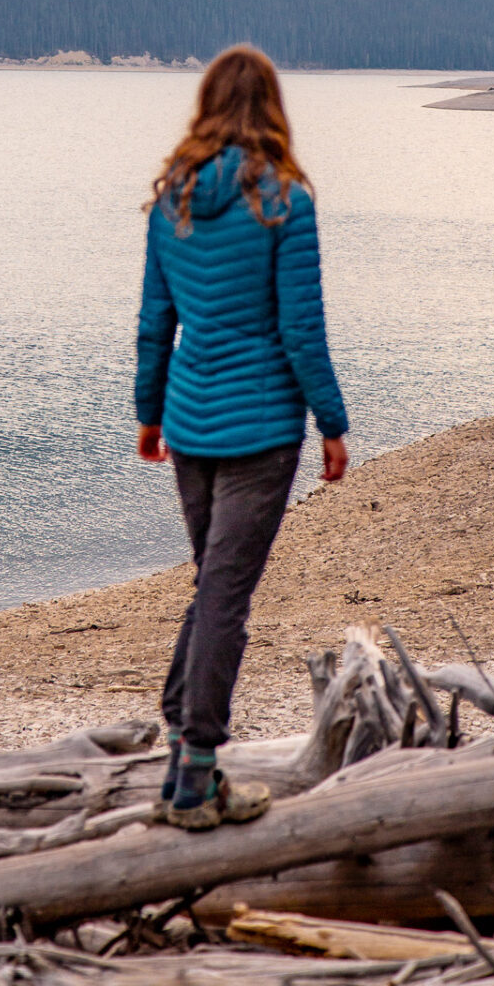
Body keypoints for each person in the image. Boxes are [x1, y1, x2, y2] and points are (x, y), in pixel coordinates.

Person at [134, 44, 349, 830]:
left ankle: (182, 749)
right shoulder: (285, 201)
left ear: (207, 106)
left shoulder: (174, 202)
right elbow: (302, 329)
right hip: (261, 433)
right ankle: (194, 774)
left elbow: (157, 324)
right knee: (224, 596)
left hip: (190, 426)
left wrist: (149, 415)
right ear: (272, 111)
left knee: (212, 590)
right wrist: (332, 423)